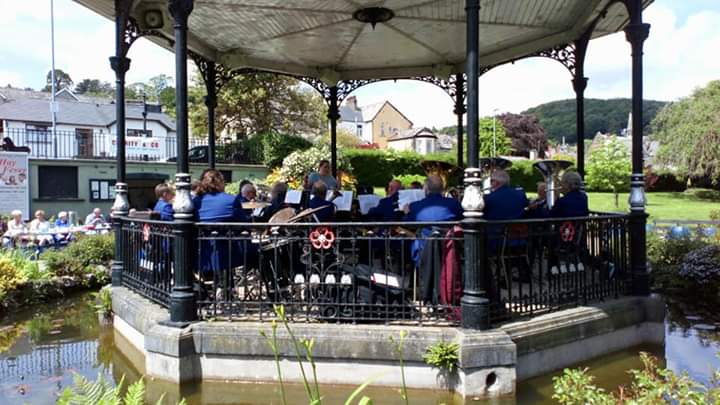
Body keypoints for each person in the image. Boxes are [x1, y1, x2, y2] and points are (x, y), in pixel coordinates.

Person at [193, 169, 249, 276]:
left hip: (202, 252)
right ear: (220, 182)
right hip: (228, 252)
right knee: (260, 252)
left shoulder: (196, 202)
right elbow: (243, 223)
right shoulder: (231, 200)